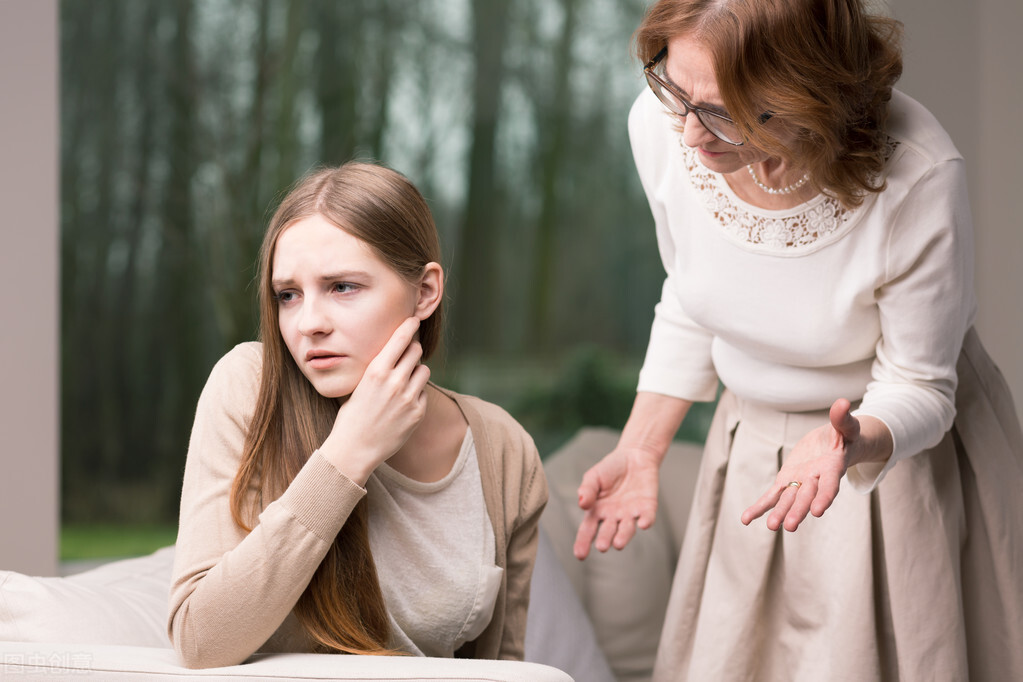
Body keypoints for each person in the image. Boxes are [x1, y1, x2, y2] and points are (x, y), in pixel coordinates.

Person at [572, 1, 1023, 680]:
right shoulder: (662, 124)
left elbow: (921, 385)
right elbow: (694, 297)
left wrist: (854, 442)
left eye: (725, 111)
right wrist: (640, 448)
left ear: (808, 95)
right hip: (750, 447)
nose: (690, 135)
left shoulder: (918, 172)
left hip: (889, 456)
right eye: (674, 87)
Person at [168, 162, 547, 668]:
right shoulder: (249, 388)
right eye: (288, 295)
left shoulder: (503, 448)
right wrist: (348, 455)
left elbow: (501, 669)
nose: (309, 324)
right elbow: (201, 641)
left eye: (343, 287)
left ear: (426, 291)